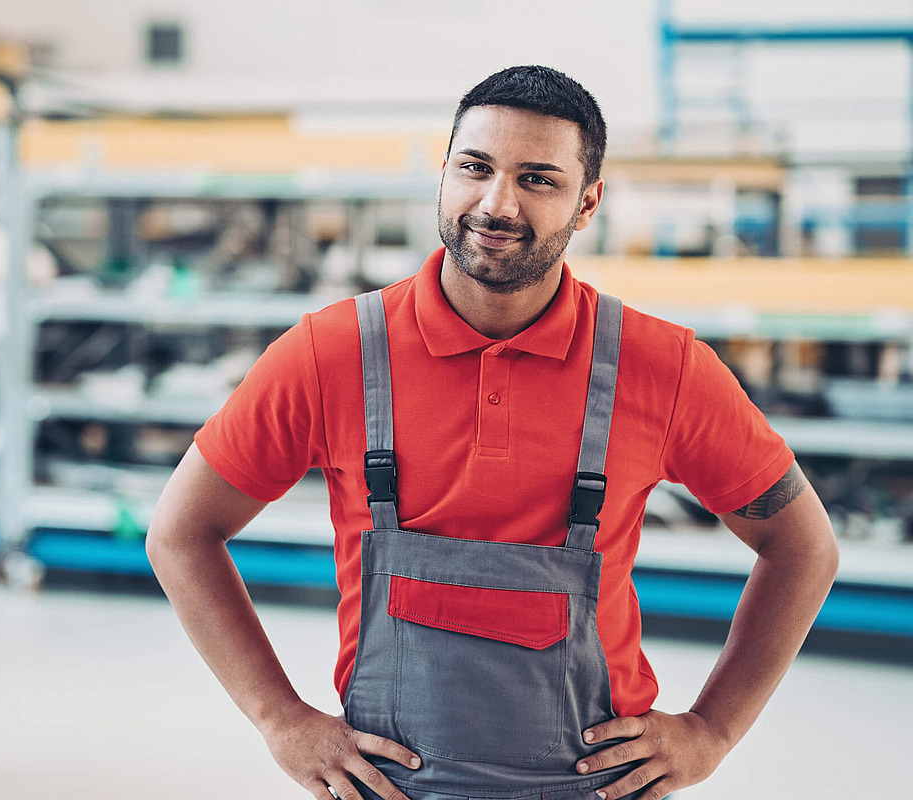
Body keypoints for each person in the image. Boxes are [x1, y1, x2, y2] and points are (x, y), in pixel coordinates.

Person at [146, 65, 838, 800]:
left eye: (538, 179)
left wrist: (713, 732)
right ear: (443, 173)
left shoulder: (662, 367)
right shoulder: (332, 353)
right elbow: (181, 533)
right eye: (475, 167)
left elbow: (803, 547)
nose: (497, 203)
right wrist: (278, 719)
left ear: (588, 202)